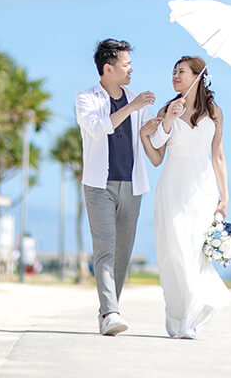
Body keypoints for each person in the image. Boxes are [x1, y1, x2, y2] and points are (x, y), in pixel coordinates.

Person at [140, 55, 231, 339]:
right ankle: (176, 313)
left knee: (195, 252)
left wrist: (224, 197)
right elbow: (156, 155)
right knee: (174, 252)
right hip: (172, 186)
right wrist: (162, 124)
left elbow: (217, 155)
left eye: (181, 72)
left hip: (202, 187)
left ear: (198, 76)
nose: (175, 76)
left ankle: (187, 322)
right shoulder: (168, 108)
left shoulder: (214, 112)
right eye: (173, 72)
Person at [75, 38, 156, 336]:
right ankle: (111, 312)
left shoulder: (138, 100)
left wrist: (166, 119)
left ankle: (108, 312)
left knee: (122, 254)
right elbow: (97, 128)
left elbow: (153, 137)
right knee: (105, 251)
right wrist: (132, 107)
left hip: (132, 186)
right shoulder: (86, 98)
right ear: (108, 68)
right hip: (99, 186)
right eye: (126, 65)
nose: (131, 70)